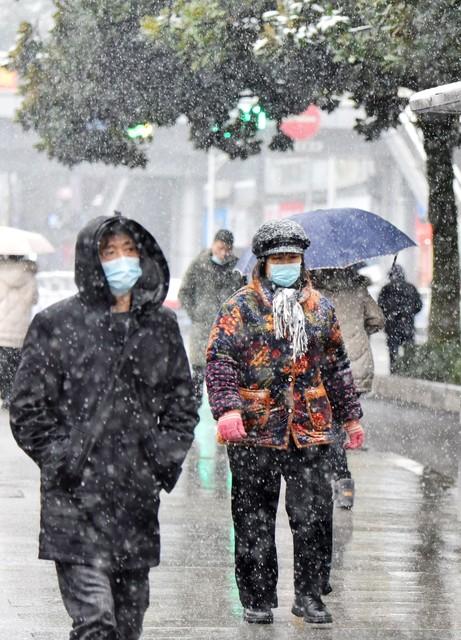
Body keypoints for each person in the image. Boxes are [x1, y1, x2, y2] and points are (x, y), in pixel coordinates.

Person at [9, 214, 198, 640]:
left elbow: (182, 405)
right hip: (74, 503)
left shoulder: (160, 326)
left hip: (135, 502)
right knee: (95, 621)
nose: (121, 260)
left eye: (129, 250)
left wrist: (159, 460)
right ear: (90, 260)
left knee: (129, 625)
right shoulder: (57, 324)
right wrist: (65, 459)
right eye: (109, 252)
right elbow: (27, 409)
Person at [206, 219, 363, 626]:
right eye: (279, 258)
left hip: (310, 429)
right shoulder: (240, 307)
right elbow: (220, 360)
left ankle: (310, 596)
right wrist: (227, 409)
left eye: (293, 257)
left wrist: (350, 417)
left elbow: (337, 366)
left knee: (314, 518)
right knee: (254, 518)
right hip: (255, 429)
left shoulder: (320, 307)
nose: (287, 264)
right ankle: (258, 598)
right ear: (263, 262)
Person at [310, 266, 384, 508]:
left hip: (325, 367)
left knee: (324, 428)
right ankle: (344, 486)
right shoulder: (358, 290)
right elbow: (377, 320)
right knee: (343, 425)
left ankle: (329, 482)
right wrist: (359, 329)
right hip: (356, 368)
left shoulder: (315, 292)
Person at [178, 229, 243, 406]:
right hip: (202, 329)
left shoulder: (236, 268)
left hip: (227, 329)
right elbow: (184, 292)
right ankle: (194, 411)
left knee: (225, 372)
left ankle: (224, 409)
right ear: (213, 245)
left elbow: (243, 294)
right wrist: (195, 313)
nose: (223, 253)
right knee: (198, 374)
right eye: (220, 248)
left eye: (227, 249)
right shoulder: (199, 264)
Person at [0, 255, 38, 409]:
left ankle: (4, 392)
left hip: (1, 331)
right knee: (15, 366)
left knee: (2, 365)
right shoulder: (29, 276)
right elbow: (34, 299)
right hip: (20, 332)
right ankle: (10, 395)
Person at [378, 264, 422, 373]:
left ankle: (394, 371)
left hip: (392, 327)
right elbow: (419, 306)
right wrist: (408, 314)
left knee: (393, 352)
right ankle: (408, 371)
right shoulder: (411, 288)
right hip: (407, 325)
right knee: (409, 351)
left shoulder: (386, 289)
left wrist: (389, 314)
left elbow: (380, 307)